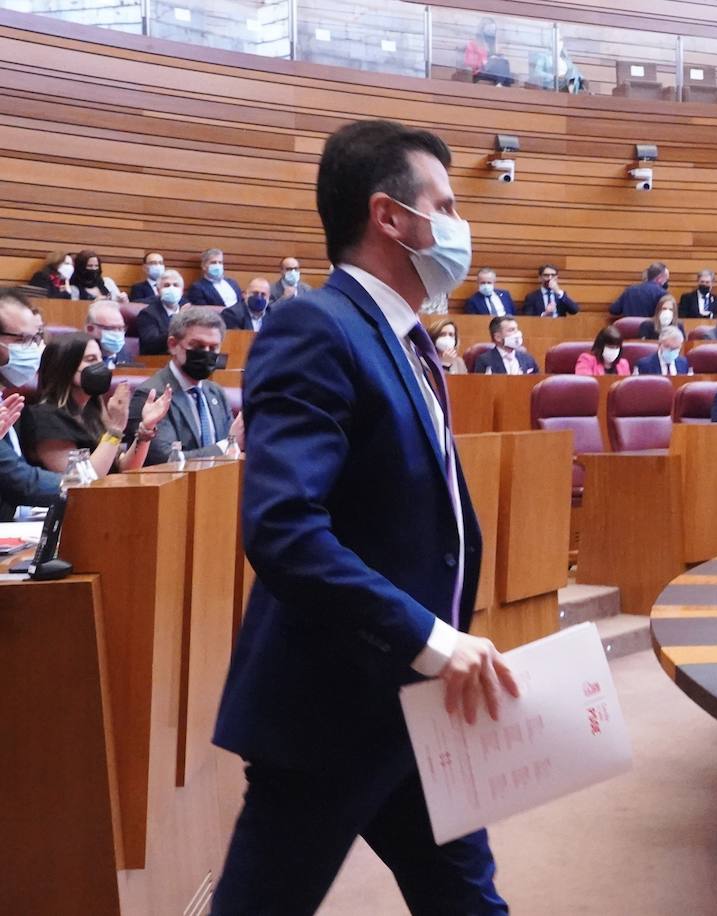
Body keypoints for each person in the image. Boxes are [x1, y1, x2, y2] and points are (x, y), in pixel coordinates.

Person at [211, 120, 519, 914]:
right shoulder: (317, 326)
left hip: (419, 710)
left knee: (469, 903)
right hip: (331, 714)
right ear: (389, 217)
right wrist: (430, 637)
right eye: (444, 205)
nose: (458, 226)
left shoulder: (404, 338)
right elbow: (284, 530)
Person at [21, 332, 171, 476]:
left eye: (100, 359)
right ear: (66, 367)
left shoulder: (93, 409)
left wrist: (146, 429)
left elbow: (124, 468)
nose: (100, 366)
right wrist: (115, 428)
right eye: (91, 359)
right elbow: (81, 480)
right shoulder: (43, 417)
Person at [125, 306, 241, 466]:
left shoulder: (216, 392)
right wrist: (226, 446)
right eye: (198, 346)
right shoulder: (152, 395)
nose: (206, 353)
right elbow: (163, 459)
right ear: (173, 345)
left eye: (213, 348)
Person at [0, 290, 62, 520]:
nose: (33, 349)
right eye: (22, 340)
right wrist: (88, 486)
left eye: (35, 339)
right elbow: (23, 483)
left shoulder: (8, 399)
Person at [133, 268, 187, 356]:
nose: (171, 288)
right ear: (158, 291)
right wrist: (179, 324)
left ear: (182, 291)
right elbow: (151, 345)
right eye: (166, 285)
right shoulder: (147, 314)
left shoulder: (189, 313)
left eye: (176, 285)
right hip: (157, 361)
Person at [473, 315, 538, 374]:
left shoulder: (528, 358)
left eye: (517, 329)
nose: (517, 333)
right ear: (497, 337)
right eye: (511, 330)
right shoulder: (484, 361)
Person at [463, 16, 513, 86]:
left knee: (504, 62)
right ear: (482, 28)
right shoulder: (473, 44)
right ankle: (501, 85)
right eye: (489, 27)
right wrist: (485, 61)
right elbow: (471, 63)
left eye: (493, 28)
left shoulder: (491, 43)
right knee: (502, 64)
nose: (491, 30)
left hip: (491, 71)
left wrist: (496, 58)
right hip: (479, 72)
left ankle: (500, 84)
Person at [85, 299, 130, 368]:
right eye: (110, 328)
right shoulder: (78, 359)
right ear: (90, 329)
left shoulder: (125, 357)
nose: (117, 334)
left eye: (121, 328)